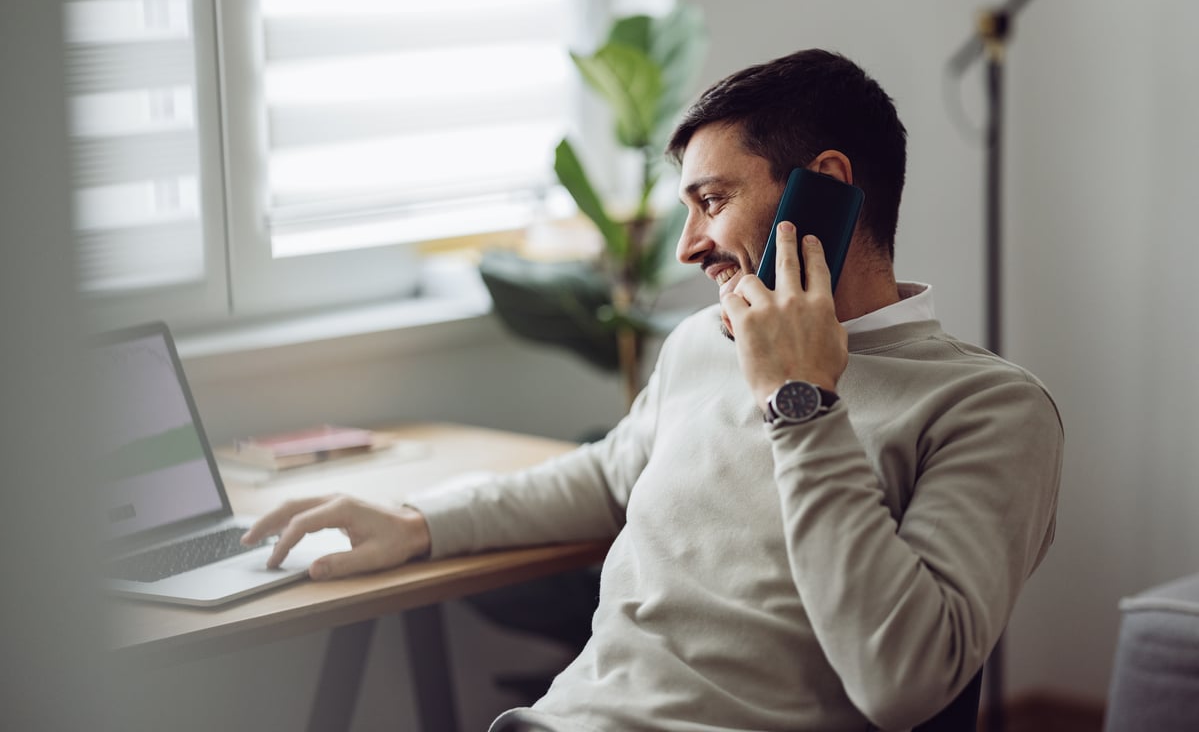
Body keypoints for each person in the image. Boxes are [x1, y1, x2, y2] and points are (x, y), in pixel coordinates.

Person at [244, 49, 1064, 731]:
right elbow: (606, 475)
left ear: (827, 185)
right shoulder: (700, 348)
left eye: (712, 200)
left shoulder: (988, 410)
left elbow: (903, 681)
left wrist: (799, 399)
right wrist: (419, 523)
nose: (688, 248)